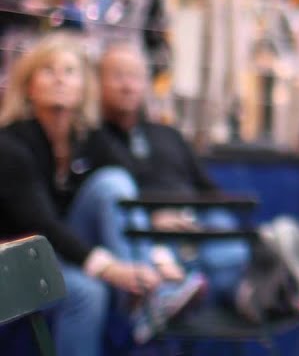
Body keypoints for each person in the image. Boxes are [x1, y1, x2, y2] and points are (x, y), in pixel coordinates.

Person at [0, 33, 203, 356]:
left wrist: (158, 256)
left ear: (84, 87)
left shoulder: (88, 138)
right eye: (48, 71)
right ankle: (148, 303)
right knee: (87, 291)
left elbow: (127, 195)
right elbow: (42, 225)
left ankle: (148, 298)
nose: (60, 80)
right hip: (15, 259)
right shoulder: (11, 144)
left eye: (69, 71)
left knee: (112, 182)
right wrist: (111, 269)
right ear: (29, 86)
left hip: (60, 252)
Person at [84, 39, 252, 307]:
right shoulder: (91, 139)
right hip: (143, 235)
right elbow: (106, 206)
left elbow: (207, 188)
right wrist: (152, 219)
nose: (128, 85)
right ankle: (170, 299)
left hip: (193, 223)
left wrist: (191, 216)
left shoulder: (169, 134)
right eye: (117, 76)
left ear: (146, 83)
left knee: (224, 224)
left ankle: (247, 294)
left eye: (135, 76)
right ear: (98, 82)